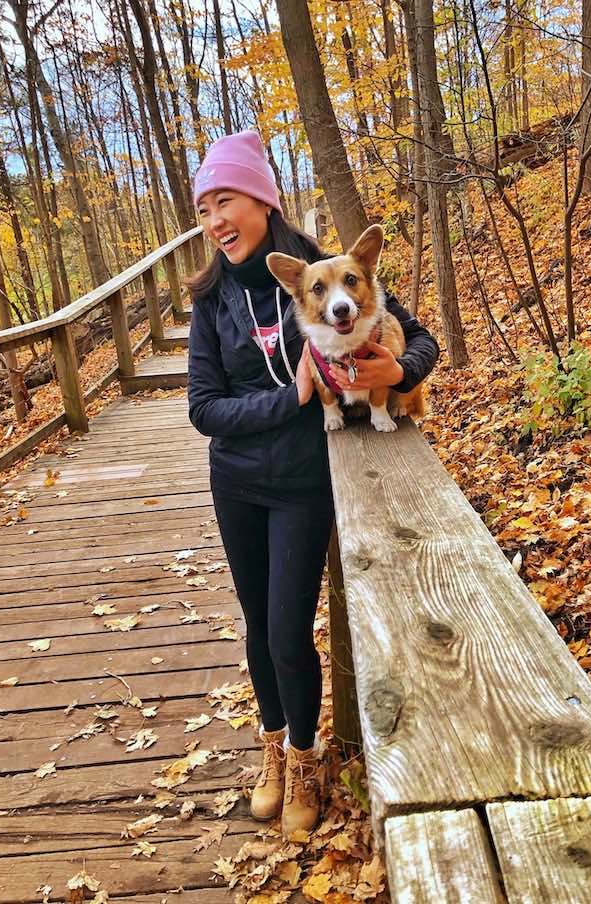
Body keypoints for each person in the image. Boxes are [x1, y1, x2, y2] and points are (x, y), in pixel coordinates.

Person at [187, 130, 439, 838]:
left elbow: (419, 339)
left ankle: (305, 758)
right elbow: (204, 409)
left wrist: (399, 373)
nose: (214, 221)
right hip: (235, 481)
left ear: (263, 201)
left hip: (303, 481)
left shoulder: (328, 274)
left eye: (225, 200)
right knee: (257, 629)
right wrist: (292, 397)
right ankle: (272, 747)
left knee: (289, 630)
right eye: (204, 207)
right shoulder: (210, 301)